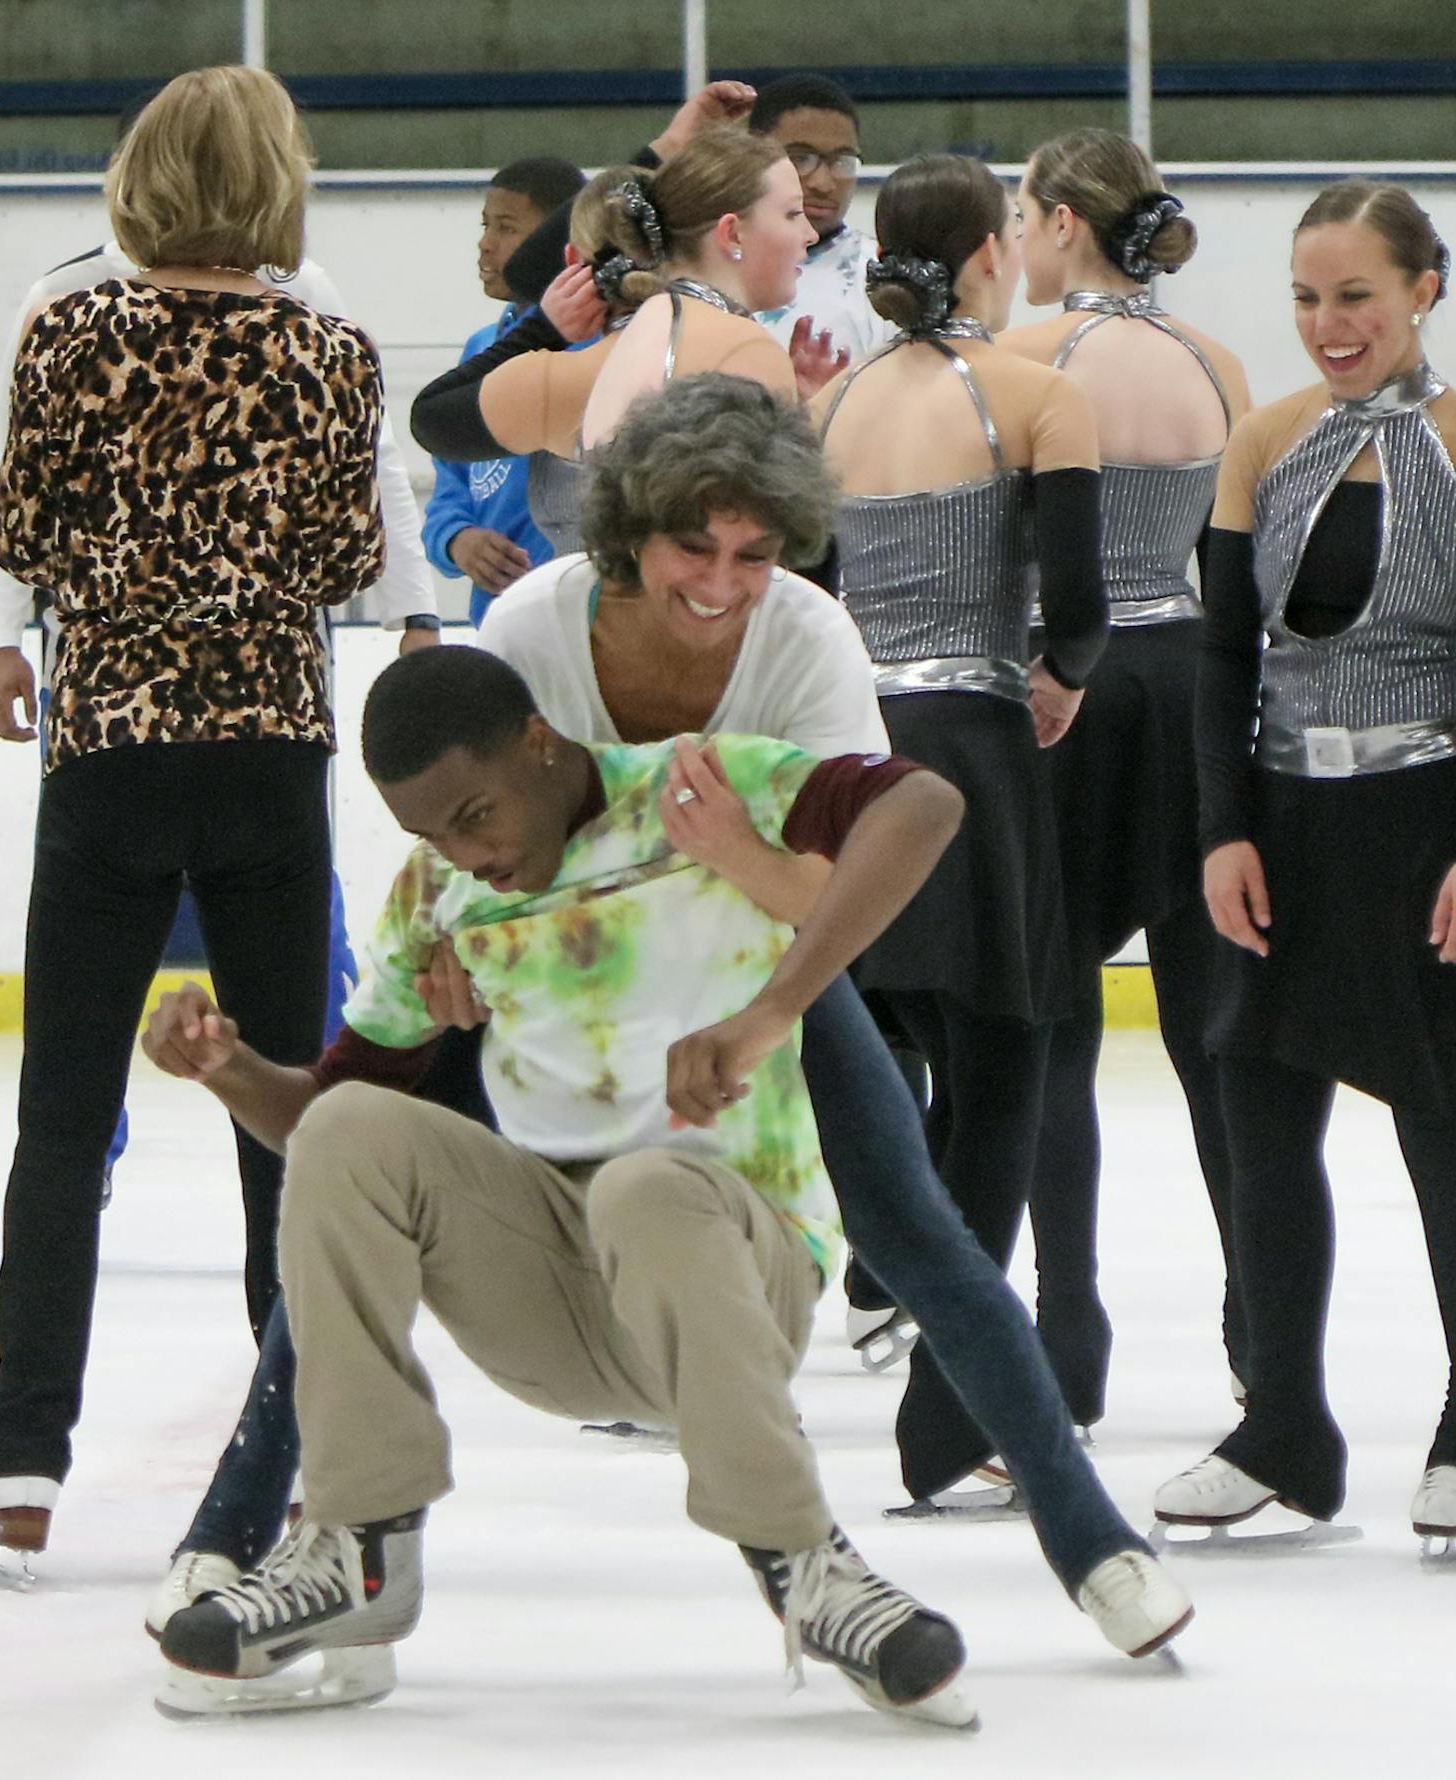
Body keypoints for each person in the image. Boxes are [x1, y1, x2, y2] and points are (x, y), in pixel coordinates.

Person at [148, 377, 1191, 1668]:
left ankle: (1095, 1548)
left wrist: (745, 902)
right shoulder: (530, 629)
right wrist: (454, 958)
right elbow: (460, 804)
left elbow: (848, 889)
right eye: (695, 546)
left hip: (753, 973)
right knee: (354, 1156)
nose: (724, 579)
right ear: (628, 534)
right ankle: (255, 1521)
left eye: (756, 552)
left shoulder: (801, 641)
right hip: (549, 970)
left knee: (920, 1232)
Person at [146, 644, 984, 1728]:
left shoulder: (698, 792)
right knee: (356, 1122)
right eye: (430, 835)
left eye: (474, 814)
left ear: (540, 744)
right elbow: (323, 1136)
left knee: (647, 1184)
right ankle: (360, 1545)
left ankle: (805, 1561)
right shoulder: (443, 893)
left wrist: (773, 1007)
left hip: (733, 1276)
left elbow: (923, 802)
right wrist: (229, 1069)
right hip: (557, 1298)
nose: (463, 852)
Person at [0, 65, 388, 1568]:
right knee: (284, 1120)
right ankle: (298, 1454)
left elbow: (17, 531)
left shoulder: (70, 330)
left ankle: (18, 1460)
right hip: (269, 741)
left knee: (62, 1121)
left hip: (111, 747)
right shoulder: (329, 346)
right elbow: (347, 553)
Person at [1157, 180, 1456, 1553]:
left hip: (1425, 823)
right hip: (1280, 824)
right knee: (1262, 1129)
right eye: (1306, 297)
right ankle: (1286, 1425)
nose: (1329, 324)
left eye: (1356, 296)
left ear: (1422, 290)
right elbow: (1223, 656)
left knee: (1443, 1126)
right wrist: (1222, 828)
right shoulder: (1263, 445)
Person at [811, 153, 1110, 1501]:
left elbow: (805, 605)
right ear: (995, 250)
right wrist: (1056, 686)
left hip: (854, 760)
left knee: (886, 1065)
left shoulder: (829, 408)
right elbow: (1084, 606)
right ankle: (951, 1412)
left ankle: (893, 1304)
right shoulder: (1039, 397)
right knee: (1002, 1084)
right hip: (978, 764)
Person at [1000, 127, 1253, 1427]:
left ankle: (1069, 1326)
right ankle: (1258, 1316)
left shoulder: (1032, 361)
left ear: (1056, 221)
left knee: (1052, 1019)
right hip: (1200, 680)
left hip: (1071, 689)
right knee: (1217, 1029)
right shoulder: (1218, 364)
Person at [408, 129, 810, 508]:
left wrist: (539, 330)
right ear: (731, 233)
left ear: (574, 262)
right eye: (793, 214)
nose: (809, 233)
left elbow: (431, 416)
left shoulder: (570, 373)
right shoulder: (744, 350)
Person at [421, 155, 589, 624]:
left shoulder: (598, 350)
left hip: (582, 618)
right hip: (497, 623)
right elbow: (450, 486)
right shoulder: (481, 348)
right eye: (485, 225)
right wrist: (457, 540)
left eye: (507, 228)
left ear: (562, 243)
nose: (485, 244)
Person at [746, 73, 892, 372]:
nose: (824, 184)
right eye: (800, 158)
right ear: (750, 154)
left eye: (842, 161)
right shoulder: (711, 260)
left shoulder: (883, 278)